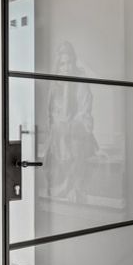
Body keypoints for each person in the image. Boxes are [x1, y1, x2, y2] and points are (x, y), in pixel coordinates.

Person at [43, 42, 98, 201]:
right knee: (57, 138)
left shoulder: (81, 82)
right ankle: (62, 186)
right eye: (62, 64)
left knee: (72, 142)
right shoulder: (54, 86)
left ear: (74, 62)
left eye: (69, 63)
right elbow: (51, 115)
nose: (66, 68)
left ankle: (73, 187)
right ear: (58, 66)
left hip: (78, 132)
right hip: (58, 134)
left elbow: (84, 113)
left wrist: (68, 88)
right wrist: (60, 127)